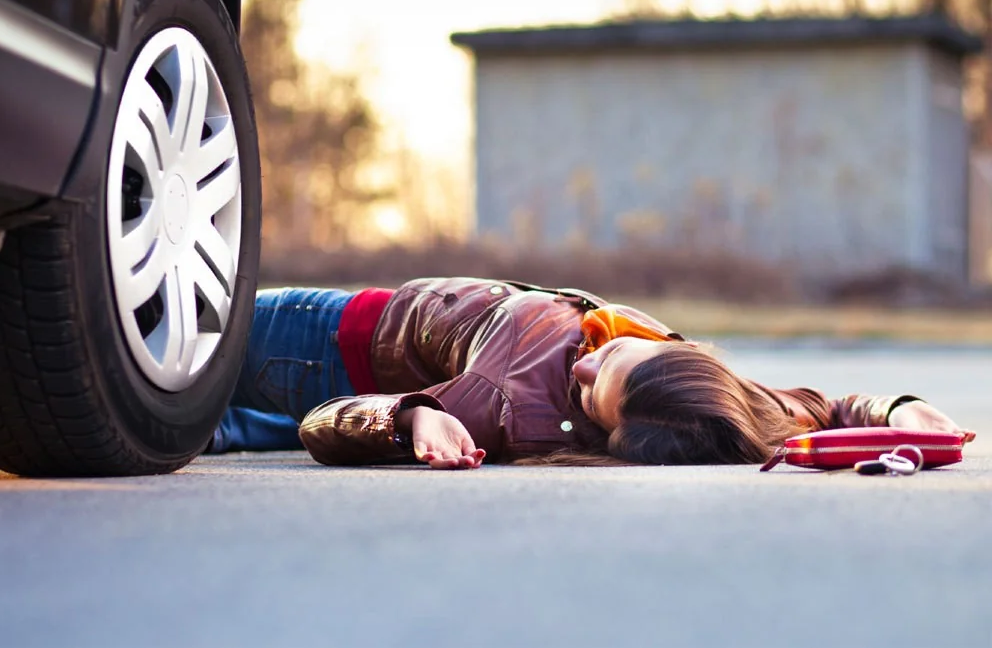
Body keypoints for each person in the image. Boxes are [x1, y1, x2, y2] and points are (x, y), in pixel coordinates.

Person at [209, 278, 976, 469]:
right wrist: (897, 406)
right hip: (351, 327)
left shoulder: (495, 404)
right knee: (181, 426)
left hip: (311, 342)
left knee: (118, 354)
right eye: (612, 359)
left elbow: (325, 422)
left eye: (591, 395)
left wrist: (410, 418)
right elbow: (817, 408)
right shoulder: (711, 395)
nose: (584, 363)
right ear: (685, 363)